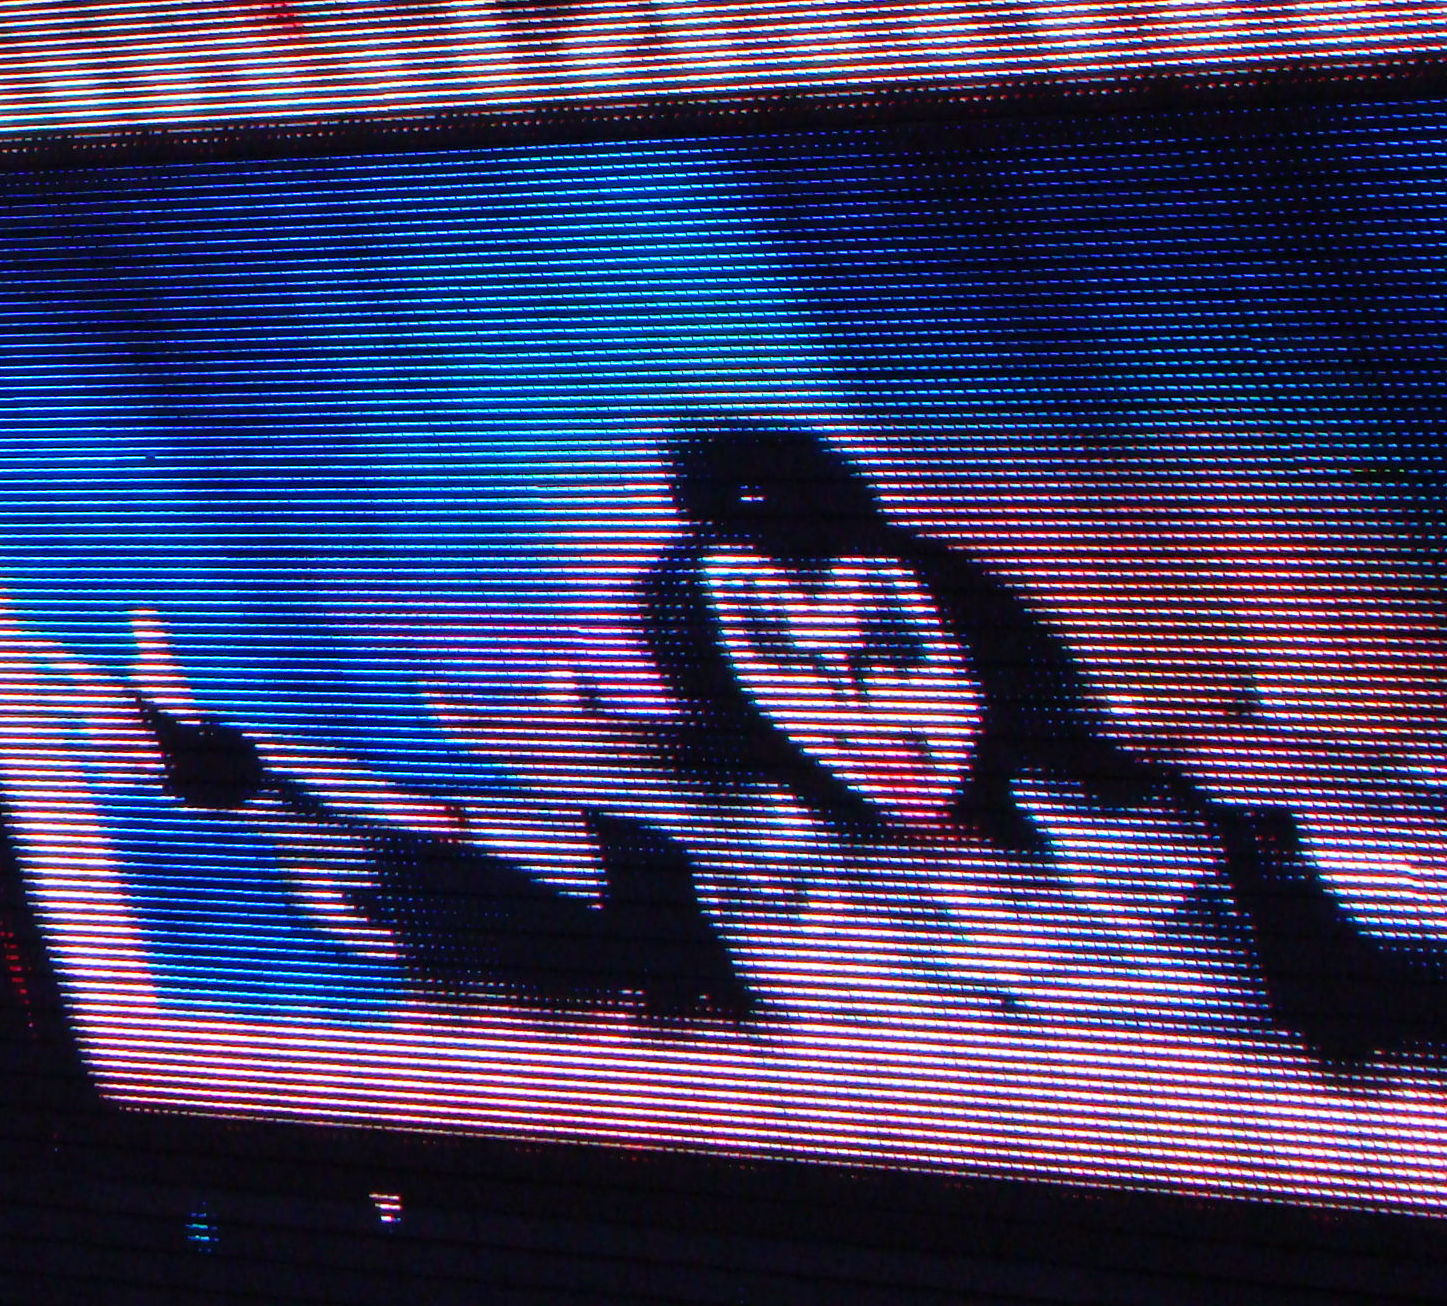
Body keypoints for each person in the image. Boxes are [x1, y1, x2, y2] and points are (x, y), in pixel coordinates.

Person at [98, 427, 1447, 1063]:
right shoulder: (750, 860)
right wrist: (246, 781)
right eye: (784, 668)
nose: (861, 713)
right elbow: (450, 826)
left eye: (888, 651)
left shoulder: (1216, 829)